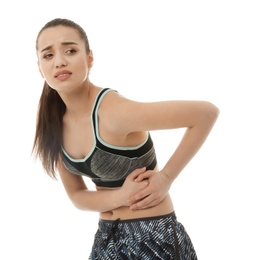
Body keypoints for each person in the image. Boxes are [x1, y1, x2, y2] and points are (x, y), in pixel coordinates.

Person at [32, 18, 219, 260]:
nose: (60, 61)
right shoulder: (53, 122)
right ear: (39, 68)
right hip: (106, 239)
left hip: (152, 237)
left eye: (70, 50)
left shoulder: (113, 111)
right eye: (48, 55)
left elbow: (205, 113)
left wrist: (166, 177)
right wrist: (121, 196)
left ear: (89, 58)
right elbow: (78, 196)